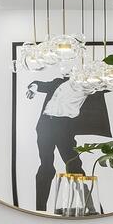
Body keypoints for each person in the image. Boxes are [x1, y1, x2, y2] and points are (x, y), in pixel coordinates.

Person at [25, 72, 102, 211]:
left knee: (74, 166)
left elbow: (107, 85)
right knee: (46, 167)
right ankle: (40, 211)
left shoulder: (86, 86)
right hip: (45, 125)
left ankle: (93, 209)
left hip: (64, 126)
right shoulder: (57, 82)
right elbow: (39, 84)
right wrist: (33, 88)